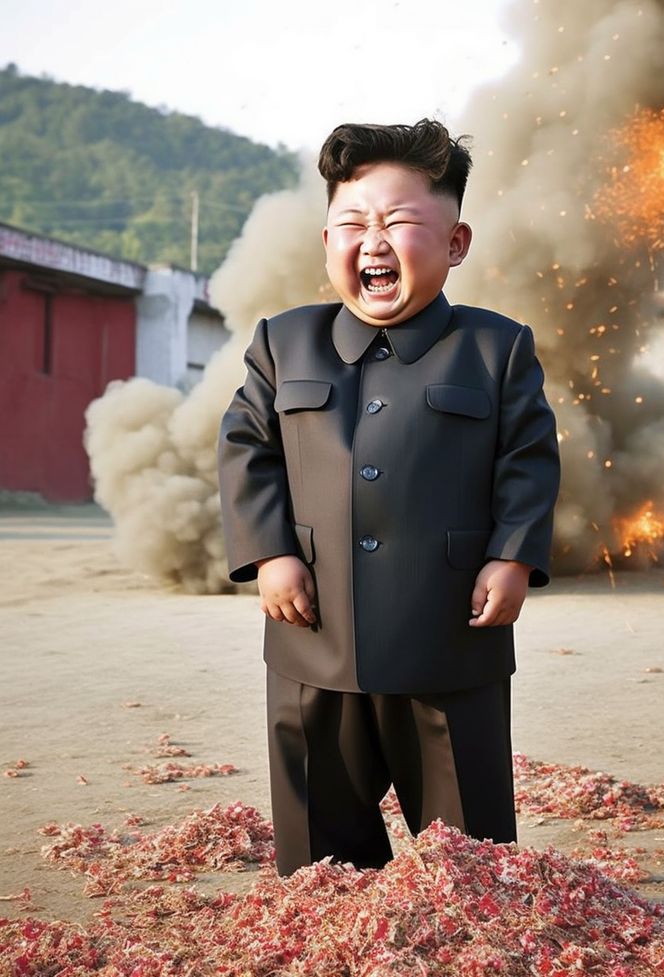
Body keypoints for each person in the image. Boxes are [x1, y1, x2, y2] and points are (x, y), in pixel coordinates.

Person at [218, 119, 560, 876]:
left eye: (400, 221)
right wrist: (270, 552)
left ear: (457, 242)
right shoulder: (285, 341)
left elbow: (529, 462)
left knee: (469, 851)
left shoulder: (495, 348)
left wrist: (512, 558)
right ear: (326, 239)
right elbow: (246, 448)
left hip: (448, 633)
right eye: (352, 223)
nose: (373, 240)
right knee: (319, 847)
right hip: (314, 634)